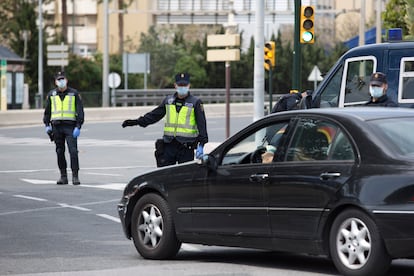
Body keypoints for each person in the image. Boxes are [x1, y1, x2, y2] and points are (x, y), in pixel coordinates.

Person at [122, 72, 208, 167]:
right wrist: (137, 122)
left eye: (185, 85)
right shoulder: (168, 101)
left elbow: (202, 124)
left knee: (183, 177)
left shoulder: (195, 102)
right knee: (165, 175)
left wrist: (201, 144)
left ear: (189, 85)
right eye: (180, 85)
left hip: (186, 147)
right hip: (169, 145)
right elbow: (154, 115)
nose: (182, 87)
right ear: (175, 85)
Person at [43, 71, 84, 185]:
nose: (61, 81)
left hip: (70, 127)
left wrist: (78, 126)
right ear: (55, 82)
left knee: (73, 152)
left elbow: (80, 111)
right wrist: (47, 125)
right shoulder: (51, 95)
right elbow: (47, 112)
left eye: (63, 79)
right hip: (56, 127)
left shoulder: (74, 94)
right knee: (60, 152)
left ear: (66, 80)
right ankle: (63, 176)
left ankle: (75, 176)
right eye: (59, 79)